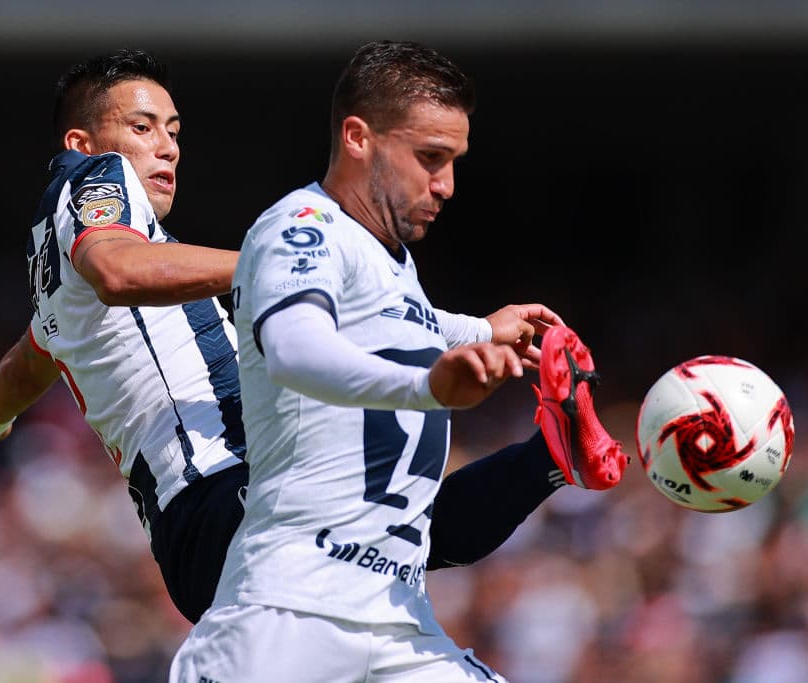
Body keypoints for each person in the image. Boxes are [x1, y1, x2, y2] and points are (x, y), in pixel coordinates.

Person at [0, 48, 626, 630]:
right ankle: (547, 456)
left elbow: (28, 357)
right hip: (221, 495)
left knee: (402, 523)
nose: (167, 146)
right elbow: (118, 268)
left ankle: (551, 456)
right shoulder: (93, 181)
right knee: (385, 500)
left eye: (174, 130)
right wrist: (280, 263)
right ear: (82, 144)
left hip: (213, 524)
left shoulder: (60, 278)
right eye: (142, 127)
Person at [169, 40, 628, 682]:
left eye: (453, 162)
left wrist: (480, 329)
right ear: (358, 137)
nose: (446, 185)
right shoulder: (300, 226)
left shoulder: (389, 262)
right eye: (430, 159)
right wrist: (426, 385)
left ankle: (548, 460)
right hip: (285, 616)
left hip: (398, 621)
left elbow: (391, 319)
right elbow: (294, 348)